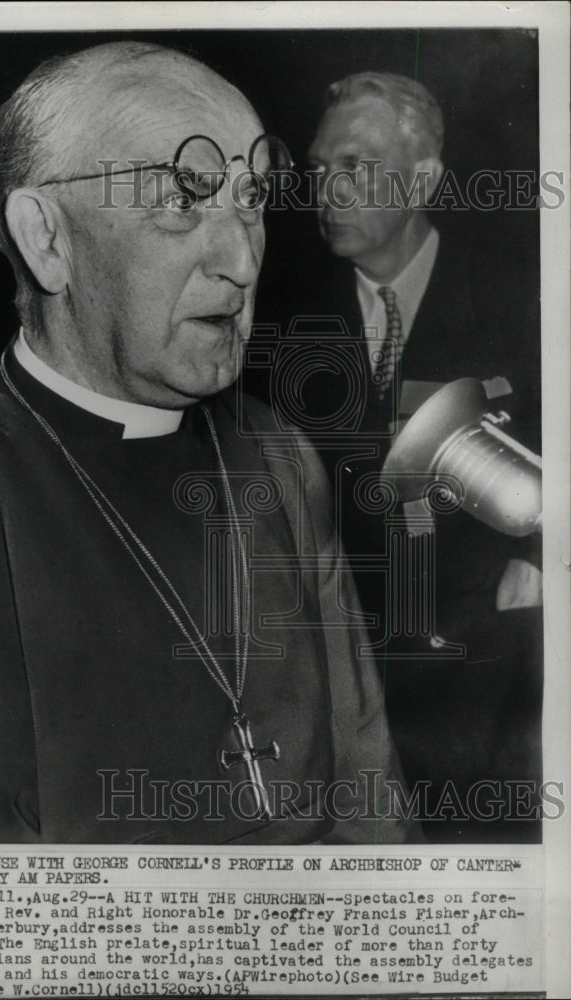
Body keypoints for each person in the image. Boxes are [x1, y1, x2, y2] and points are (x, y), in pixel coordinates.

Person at [0, 43, 417, 845]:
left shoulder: (280, 457)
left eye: (250, 198)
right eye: (184, 199)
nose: (242, 257)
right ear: (47, 239)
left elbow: (372, 807)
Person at [288, 72, 542, 838]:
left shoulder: (525, 291)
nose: (325, 189)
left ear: (423, 176)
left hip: (484, 672)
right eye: (317, 168)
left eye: (353, 165)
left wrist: (540, 549)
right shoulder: (280, 309)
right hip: (332, 676)